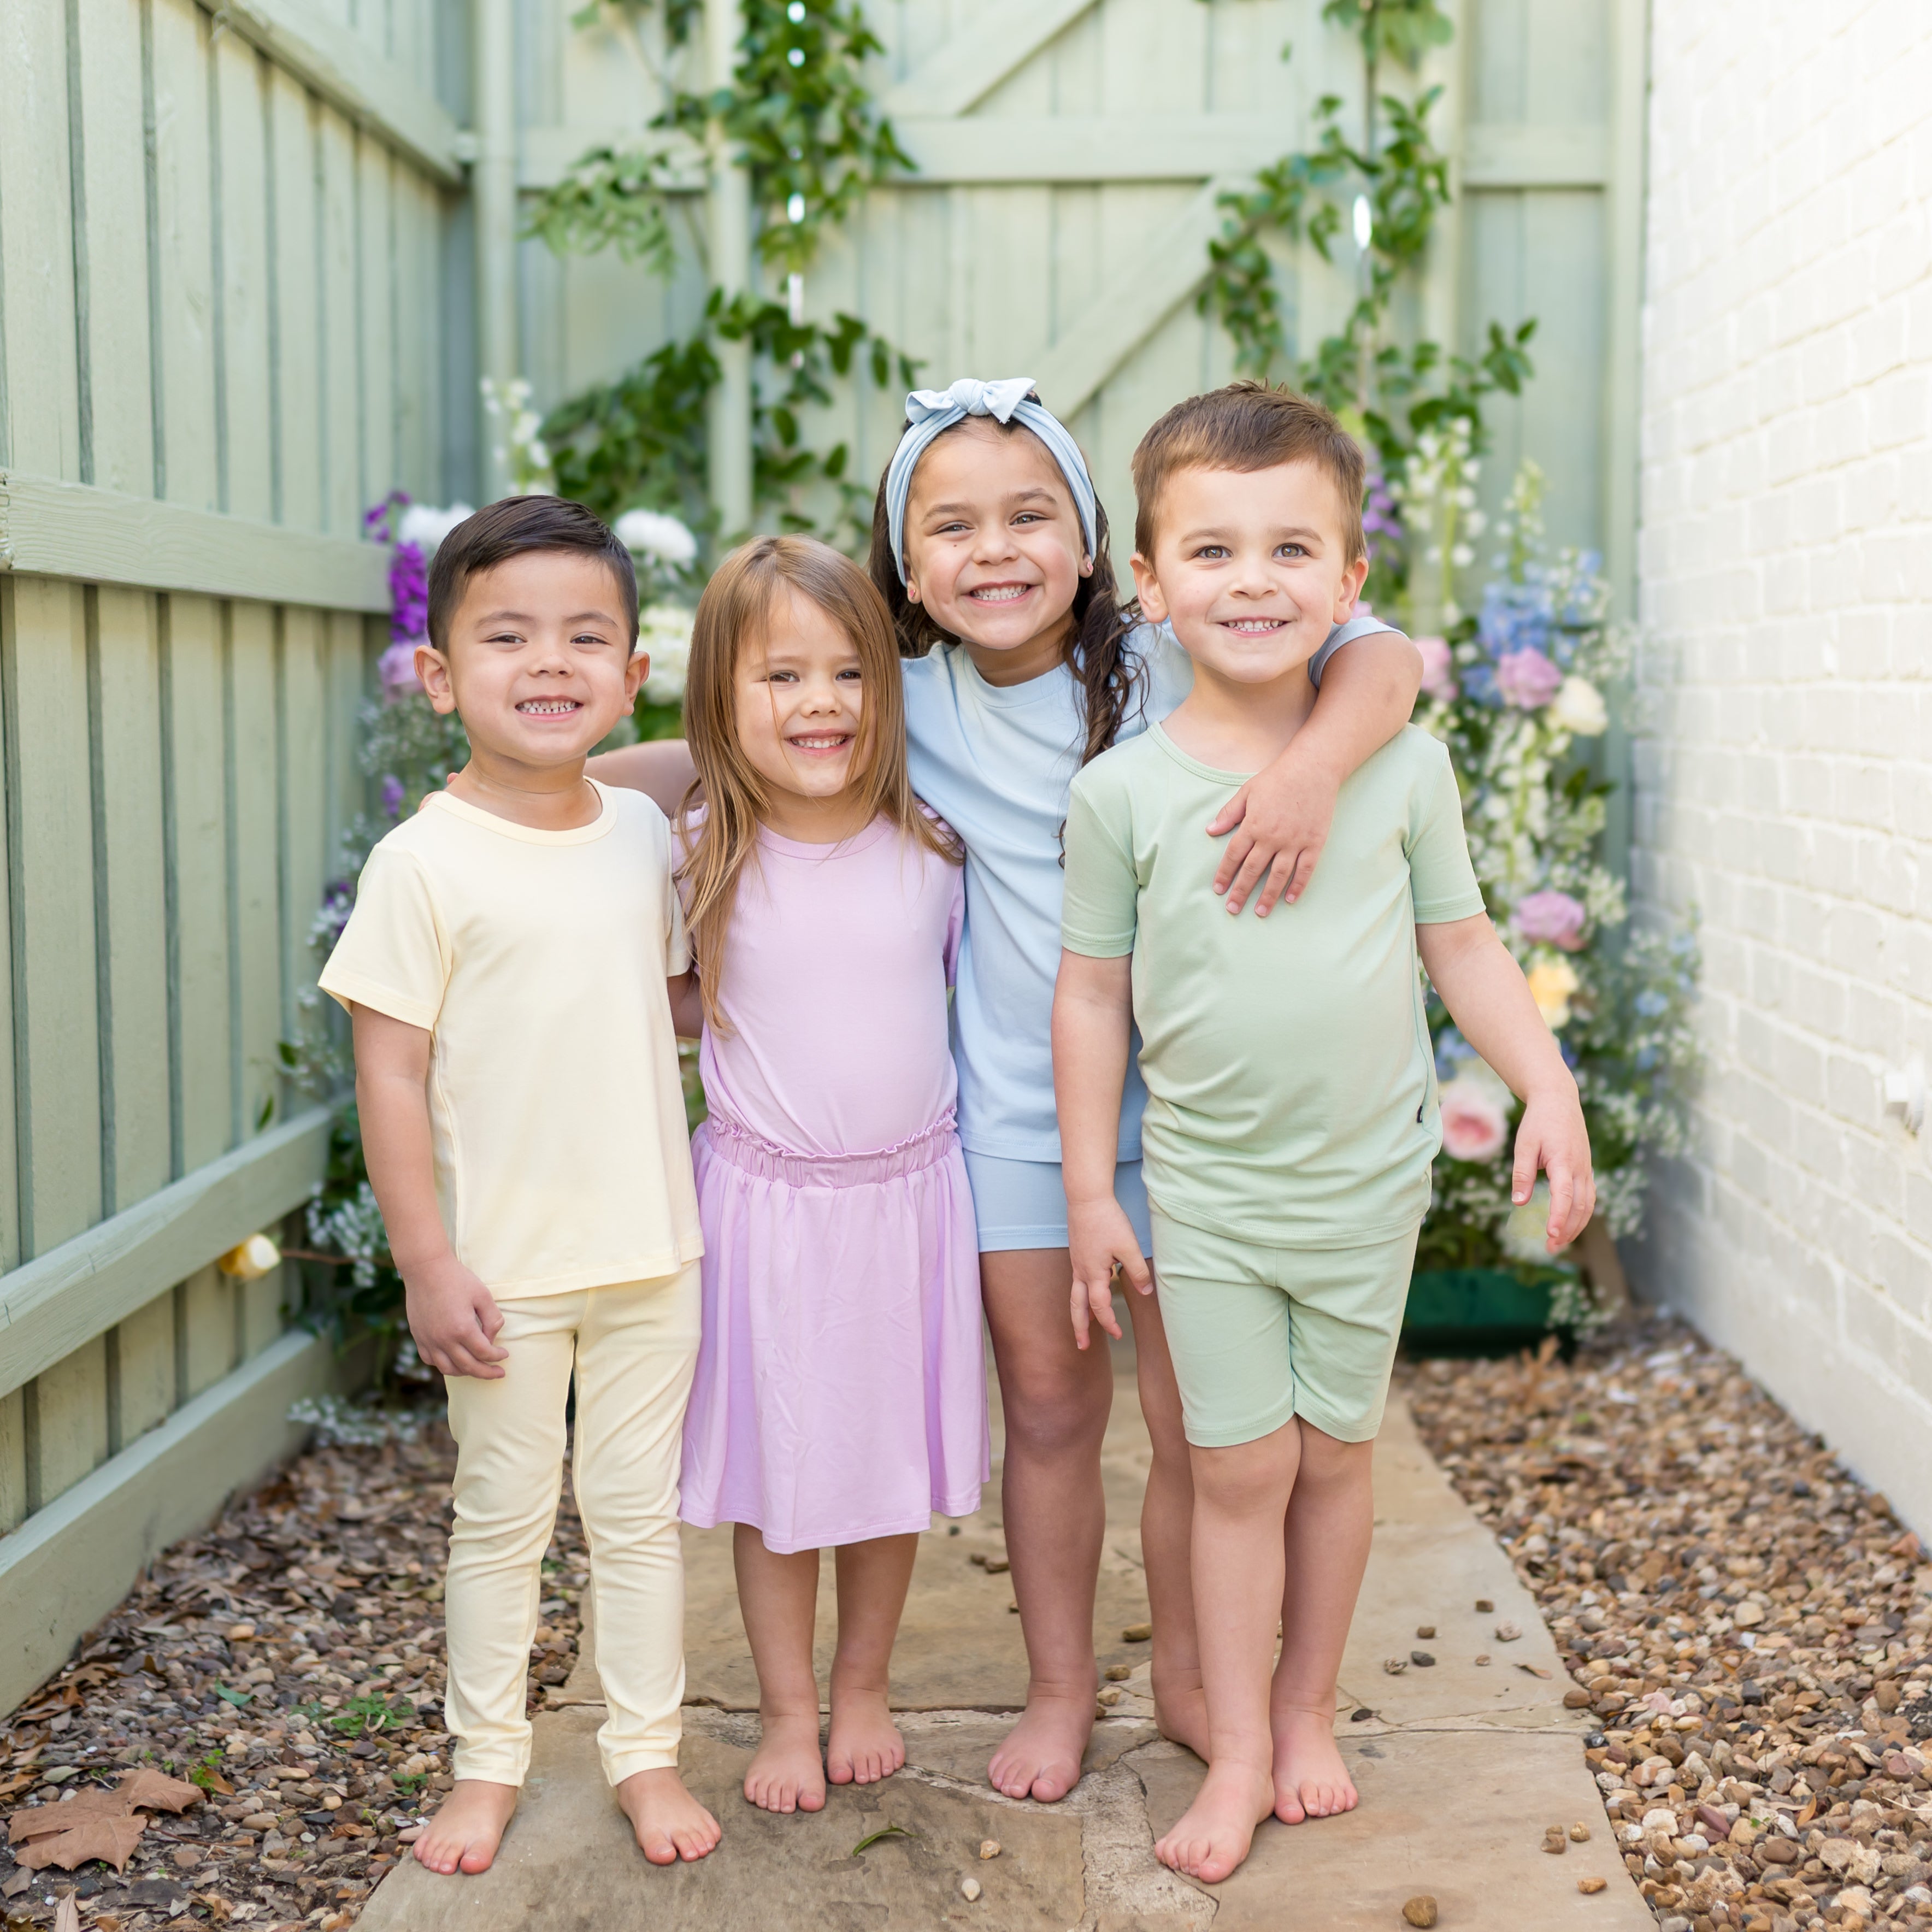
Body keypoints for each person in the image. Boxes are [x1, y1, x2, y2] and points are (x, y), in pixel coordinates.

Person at [591, 375, 1422, 1804]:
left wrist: (1315, 771)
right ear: (905, 569)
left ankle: (1196, 1680)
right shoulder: (900, 703)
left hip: (1203, 1121)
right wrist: (547, 790)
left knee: (1197, 1425)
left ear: (1099, 544)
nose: (996, 550)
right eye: (953, 525)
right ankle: (1057, 1688)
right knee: (1047, 1408)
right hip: (1026, 1131)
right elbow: (726, 733)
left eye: (1032, 515)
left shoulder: (1176, 661)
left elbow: (1386, 656)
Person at [1053, 381, 1595, 1886]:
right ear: (1149, 588)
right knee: (1235, 1470)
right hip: (1208, 1196)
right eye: (1211, 553)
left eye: (1293, 549)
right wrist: (1094, 1190)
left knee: (1336, 1458)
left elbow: (1468, 951)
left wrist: (1547, 1088)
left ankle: (1305, 1716)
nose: (1253, 581)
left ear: (1352, 584)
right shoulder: (1124, 798)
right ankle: (1230, 1749)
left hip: (1368, 1188)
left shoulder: (1399, 771)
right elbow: (1091, 1000)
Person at [319, 496, 720, 1875]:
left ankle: (642, 1752)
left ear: (629, 671)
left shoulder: (636, 836)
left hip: (654, 1249)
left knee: (638, 1518)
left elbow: (669, 999)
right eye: (507, 637)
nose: (548, 663)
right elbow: (389, 1077)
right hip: (500, 1265)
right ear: (440, 676)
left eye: (584, 639)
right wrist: (426, 1263)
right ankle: (487, 1762)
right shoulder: (420, 862)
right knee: (499, 1521)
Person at [671, 535, 987, 1817]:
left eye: (849, 673)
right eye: (779, 677)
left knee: (883, 1463)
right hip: (766, 1209)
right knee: (777, 1477)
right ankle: (786, 1709)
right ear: (719, 703)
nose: (819, 704)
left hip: (906, 1204)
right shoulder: (695, 854)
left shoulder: (936, 847)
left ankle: (865, 1685)